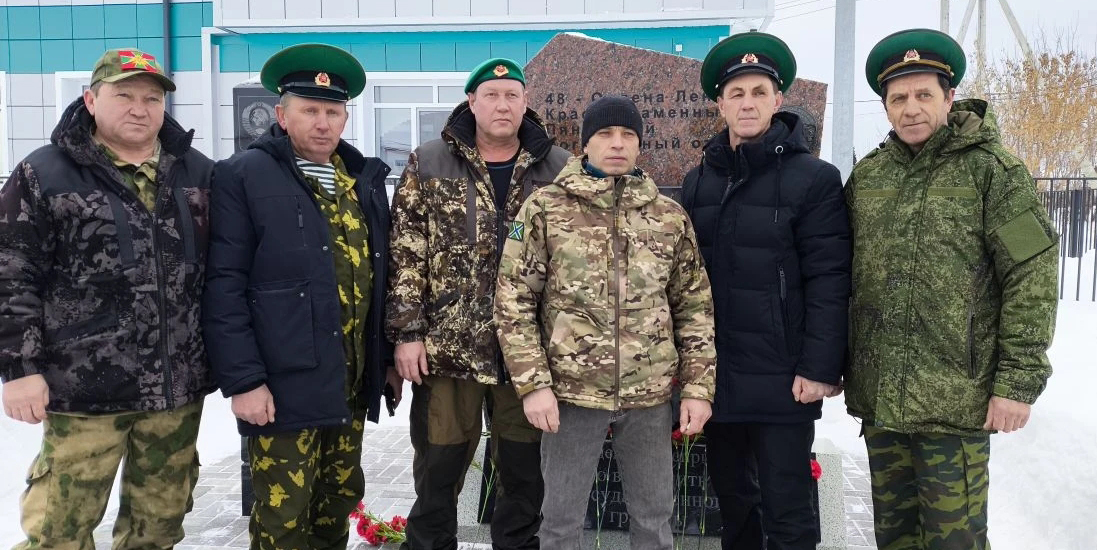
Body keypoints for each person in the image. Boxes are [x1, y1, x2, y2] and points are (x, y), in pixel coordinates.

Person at [845, 28, 1058, 550]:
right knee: (894, 537)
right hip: (883, 403)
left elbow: (1031, 275)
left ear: (949, 97)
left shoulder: (994, 173)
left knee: (954, 540)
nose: (911, 109)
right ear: (885, 106)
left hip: (956, 403)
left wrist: (1017, 381)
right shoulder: (869, 177)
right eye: (898, 98)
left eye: (924, 94)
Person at [0, 48, 214, 548]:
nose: (140, 109)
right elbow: (11, 274)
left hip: (175, 390)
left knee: (158, 527)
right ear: (91, 100)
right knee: (59, 530)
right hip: (83, 392)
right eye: (124, 95)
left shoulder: (197, 173)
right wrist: (19, 369)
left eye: (152, 98)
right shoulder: (44, 174)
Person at [495, 95, 717, 549]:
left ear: (639, 144)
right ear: (585, 143)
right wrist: (533, 384)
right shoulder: (545, 208)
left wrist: (698, 388)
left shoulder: (668, 216)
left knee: (654, 520)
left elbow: (694, 306)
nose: (617, 144)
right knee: (560, 522)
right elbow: (513, 300)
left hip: (649, 398)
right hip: (571, 396)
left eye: (628, 135)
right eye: (605, 134)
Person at [201, 43, 397, 550]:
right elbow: (224, 285)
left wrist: (383, 361)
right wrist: (244, 381)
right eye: (310, 110)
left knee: (337, 502)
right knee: (283, 517)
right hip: (283, 389)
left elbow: (379, 278)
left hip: (349, 382)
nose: (323, 123)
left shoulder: (362, 181)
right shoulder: (244, 175)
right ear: (282, 115)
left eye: (333, 112)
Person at [386, 57, 570, 550]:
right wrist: (407, 333)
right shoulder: (429, 161)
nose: (502, 105)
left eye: (512, 95)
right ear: (472, 102)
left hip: (527, 356)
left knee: (524, 475)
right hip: (449, 351)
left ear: (526, 102)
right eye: (491, 95)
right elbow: (406, 252)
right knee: (439, 468)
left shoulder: (559, 167)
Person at [679, 33, 851, 550]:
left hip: (784, 380)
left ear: (778, 100)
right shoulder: (698, 182)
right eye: (736, 94)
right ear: (720, 104)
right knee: (735, 509)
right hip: (720, 382)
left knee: (789, 512)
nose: (747, 103)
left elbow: (829, 279)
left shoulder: (814, 179)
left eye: (759, 92)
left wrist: (819, 367)